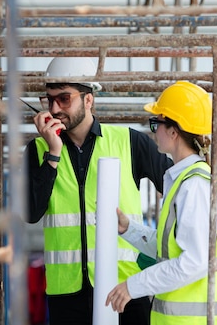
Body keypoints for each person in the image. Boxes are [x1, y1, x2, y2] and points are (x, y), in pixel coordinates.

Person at [25, 57, 173, 325]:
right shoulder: (38, 150)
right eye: (49, 100)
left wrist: (165, 248)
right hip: (66, 296)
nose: (55, 108)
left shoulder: (130, 142)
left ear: (89, 100)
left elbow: (179, 191)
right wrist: (53, 155)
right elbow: (30, 213)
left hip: (125, 290)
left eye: (64, 98)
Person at [105, 81, 217, 325]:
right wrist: (127, 229)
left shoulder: (194, 186)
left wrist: (133, 286)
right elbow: (170, 249)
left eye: (157, 123)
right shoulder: (185, 180)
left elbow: (193, 261)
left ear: (174, 131)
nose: (154, 131)